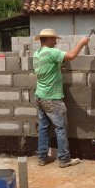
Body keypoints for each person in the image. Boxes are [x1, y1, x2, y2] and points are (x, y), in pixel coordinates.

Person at [33, 28, 89, 168]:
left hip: (40, 96)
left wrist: (58, 67)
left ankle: (42, 157)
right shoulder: (51, 52)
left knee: (44, 128)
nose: (56, 41)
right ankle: (64, 159)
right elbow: (70, 56)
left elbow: (49, 67)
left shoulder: (37, 54)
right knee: (61, 128)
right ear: (48, 39)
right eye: (54, 39)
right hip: (52, 98)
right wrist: (81, 43)